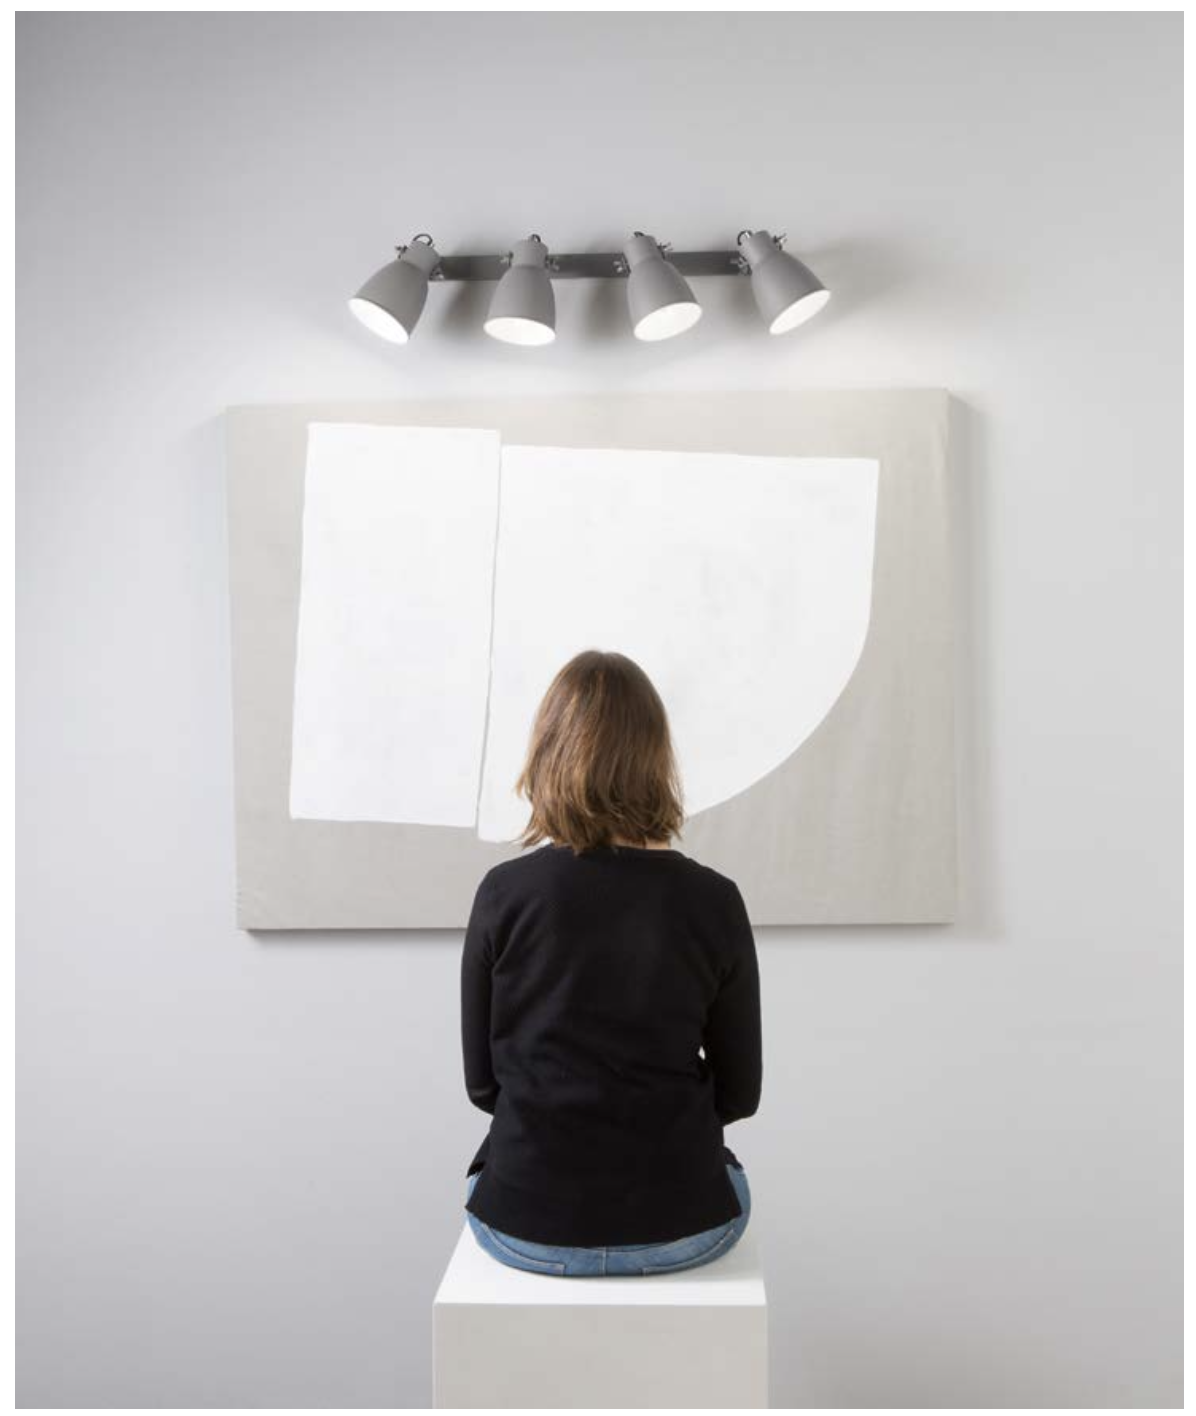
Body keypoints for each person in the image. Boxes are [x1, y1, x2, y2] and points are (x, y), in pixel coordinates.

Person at [460, 649, 762, 1277]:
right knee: (727, 1174)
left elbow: (483, 1087)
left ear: (548, 754)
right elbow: (741, 1093)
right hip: (684, 1225)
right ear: (655, 760)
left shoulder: (503, 894)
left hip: (524, 1224)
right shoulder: (714, 900)